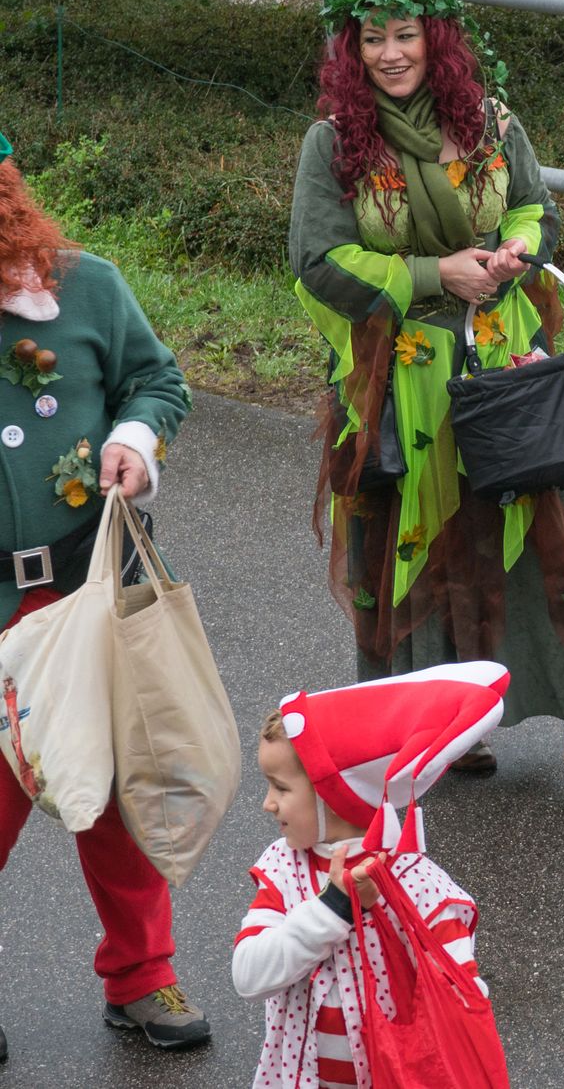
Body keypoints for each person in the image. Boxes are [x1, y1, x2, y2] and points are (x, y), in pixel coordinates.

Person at [290, 0, 564, 784]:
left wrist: (514, 253)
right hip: (399, 378)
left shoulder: (488, 123)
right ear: (351, 50)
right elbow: (318, 260)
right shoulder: (334, 142)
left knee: (534, 530)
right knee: (415, 546)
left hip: (502, 364)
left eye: (404, 35)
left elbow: (535, 207)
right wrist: (429, 276)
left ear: (436, 40)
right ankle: (449, 723)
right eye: (371, 38)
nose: (389, 53)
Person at [0, 129, 209, 1055]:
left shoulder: (84, 284)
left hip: (90, 584)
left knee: (121, 792)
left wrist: (135, 439)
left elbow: (157, 378)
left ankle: (144, 975)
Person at [234, 661, 508, 1088]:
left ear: (334, 794)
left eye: (281, 788)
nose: (268, 804)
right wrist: (333, 906)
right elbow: (249, 976)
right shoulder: (283, 868)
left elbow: (462, 1000)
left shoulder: (419, 884)